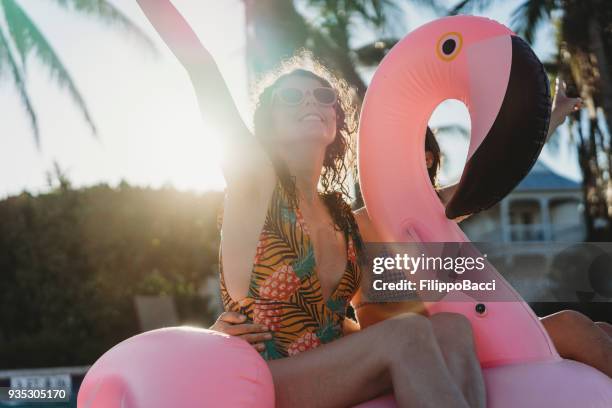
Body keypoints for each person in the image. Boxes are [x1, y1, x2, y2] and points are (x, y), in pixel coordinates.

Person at [136, 2, 485, 407]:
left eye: (323, 96)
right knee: (407, 332)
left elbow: (445, 203)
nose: (311, 103)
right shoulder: (256, 184)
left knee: (450, 328)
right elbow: (202, 69)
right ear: (268, 120)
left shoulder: (344, 218)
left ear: (336, 120)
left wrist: (534, 128)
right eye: (291, 96)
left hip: (332, 372)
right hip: (260, 377)